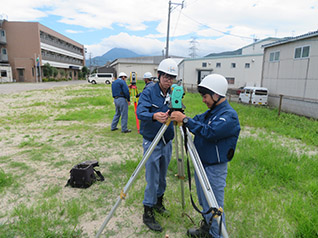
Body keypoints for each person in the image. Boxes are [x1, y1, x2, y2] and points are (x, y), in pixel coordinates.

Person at [171, 74, 241, 238]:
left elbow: (211, 132)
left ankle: (217, 235)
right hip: (202, 165)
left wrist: (186, 121)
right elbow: (197, 120)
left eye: (205, 96)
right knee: (204, 202)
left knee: (214, 205)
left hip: (214, 168)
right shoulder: (212, 112)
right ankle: (207, 229)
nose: (203, 100)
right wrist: (180, 116)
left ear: (216, 95)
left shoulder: (229, 116)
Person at [136, 58, 178, 232]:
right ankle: (148, 211)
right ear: (159, 75)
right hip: (152, 139)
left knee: (162, 176)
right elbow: (140, 112)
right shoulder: (149, 91)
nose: (168, 80)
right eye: (166, 76)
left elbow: (178, 108)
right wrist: (154, 116)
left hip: (166, 140)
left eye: (171, 77)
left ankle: (159, 203)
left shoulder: (173, 92)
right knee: (152, 177)